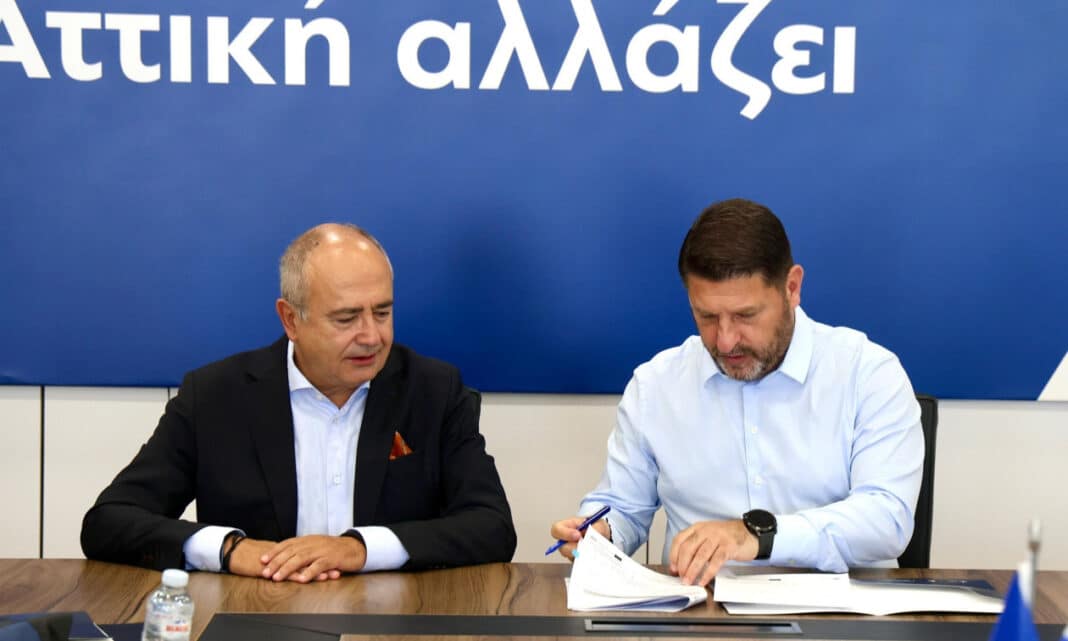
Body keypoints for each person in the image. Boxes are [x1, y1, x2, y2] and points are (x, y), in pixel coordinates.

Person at [82, 223, 516, 582]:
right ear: (291, 319)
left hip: (392, 622)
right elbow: (109, 521)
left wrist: (359, 549)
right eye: (347, 318)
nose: (372, 336)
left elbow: (492, 526)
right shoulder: (215, 396)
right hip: (255, 619)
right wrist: (230, 549)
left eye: (382, 313)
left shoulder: (434, 391)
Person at [550, 198, 923, 586]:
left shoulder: (868, 374)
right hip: (699, 608)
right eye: (707, 317)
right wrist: (599, 533)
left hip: (841, 610)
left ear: (792, 287)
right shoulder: (656, 385)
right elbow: (624, 508)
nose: (725, 341)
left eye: (746, 316)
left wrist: (756, 536)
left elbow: (887, 519)